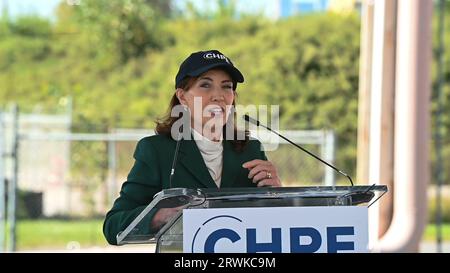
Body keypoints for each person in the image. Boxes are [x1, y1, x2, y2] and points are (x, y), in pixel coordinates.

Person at [103, 49, 281, 245]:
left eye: (226, 87)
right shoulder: (157, 151)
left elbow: (273, 222)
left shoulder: (251, 150)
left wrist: (277, 194)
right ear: (182, 97)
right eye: (205, 85)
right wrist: (158, 216)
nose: (218, 96)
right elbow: (113, 226)